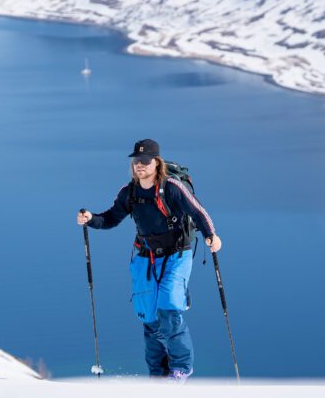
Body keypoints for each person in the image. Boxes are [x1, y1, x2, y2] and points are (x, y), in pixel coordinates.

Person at [77, 139, 222, 382]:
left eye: (145, 161)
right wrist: (91, 218)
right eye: (136, 161)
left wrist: (211, 236)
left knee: (168, 307)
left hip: (177, 253)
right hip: (147, 256)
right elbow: (111, 218)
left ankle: (181, 369)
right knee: (149, 317)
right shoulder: (130, 192)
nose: (139, 165)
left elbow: (198, 212)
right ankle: (157, 374)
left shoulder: (172, 187)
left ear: (156, 162)